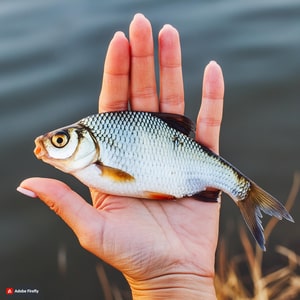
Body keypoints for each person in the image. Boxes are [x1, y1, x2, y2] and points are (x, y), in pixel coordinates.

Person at [17, 13, 224, 299]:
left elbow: (122, 178)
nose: (49, 146)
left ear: (86, 142)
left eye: (60, 140)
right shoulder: (92, 162)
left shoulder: (95, 164)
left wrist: (171, 282)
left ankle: (240, 188)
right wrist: (170, 281)